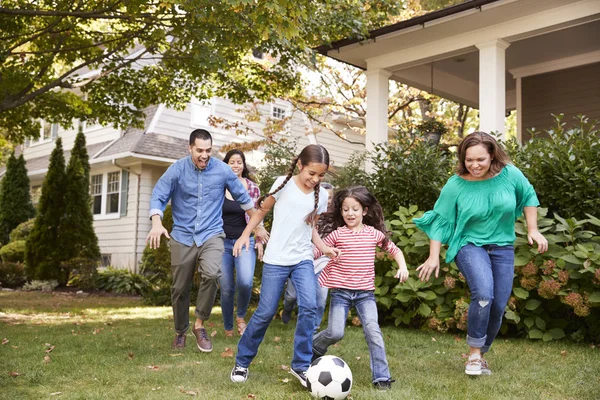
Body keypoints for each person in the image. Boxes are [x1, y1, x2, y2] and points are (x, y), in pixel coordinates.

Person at [413, 131, 548, 376]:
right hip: (469, 244)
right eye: (469, 160)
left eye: (480, 160)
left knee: (498, 305)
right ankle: (473, 355)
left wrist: (533, 229)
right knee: (483, 293)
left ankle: (481, 355)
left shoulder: (510, 174)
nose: (474, 165)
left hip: (502, 247)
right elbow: (440, 220)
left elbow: (528, 195)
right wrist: (434, 256)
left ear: (492, 156)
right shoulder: (456, 184)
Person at [230, 144, 339, 387]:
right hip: (276, 259)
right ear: (300, 165)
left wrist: (324, 248)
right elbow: (260, 212)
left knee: (310, 306)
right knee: (266, 312)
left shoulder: (320, 196)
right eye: (312, 173)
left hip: (302, 259)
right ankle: (242, 361)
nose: (315, 179)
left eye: (321, 175)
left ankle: (301, 365)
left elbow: (311, 229)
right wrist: (244, 235)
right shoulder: (283, 183)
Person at [146, 129, 256, 353]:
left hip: (212, 233)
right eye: (199, 150)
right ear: (190, 148)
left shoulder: (223, 170)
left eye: (208, 150)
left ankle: (199, 324)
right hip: (182, 235)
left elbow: (245, 200)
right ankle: (180, 331)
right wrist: (156, 222)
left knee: (213, 274)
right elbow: (158, 194)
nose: (204, 155)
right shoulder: (177, 170)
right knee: (179, 288)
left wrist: (257, 227)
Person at [311, 186, 408, 390]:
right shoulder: (337, 235)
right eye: (345, 209)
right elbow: (316, 252)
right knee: (335, 332)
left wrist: (403, 266)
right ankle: (312, 346)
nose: (350, 213)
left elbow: (394, 250)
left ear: (364, 211)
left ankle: (382, 377)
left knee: (373, 332)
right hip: (341, 293)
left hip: (365, 295)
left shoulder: (373, 234)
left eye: (355, 209)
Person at [219, 149, 268, 338]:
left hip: (245, 241)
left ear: (243, 165)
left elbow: (258, 216)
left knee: (246, 282)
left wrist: (259, 240)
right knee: (226, 287)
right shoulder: (219, 187)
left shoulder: (252, 187)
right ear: (226, 164)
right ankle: (228, 326)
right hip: (222, 242)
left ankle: (240, 316)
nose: (236, 165)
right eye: (232, 162)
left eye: (239, 162)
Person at [281, 182, 334, 331]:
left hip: (323, 260)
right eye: (326, 196)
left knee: (321, 295)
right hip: (300, 256)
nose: (327, 200)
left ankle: (314, 326)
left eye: (330, 197)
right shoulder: (305, 211)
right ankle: (287, 309)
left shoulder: (335, 218)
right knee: (292, 295)